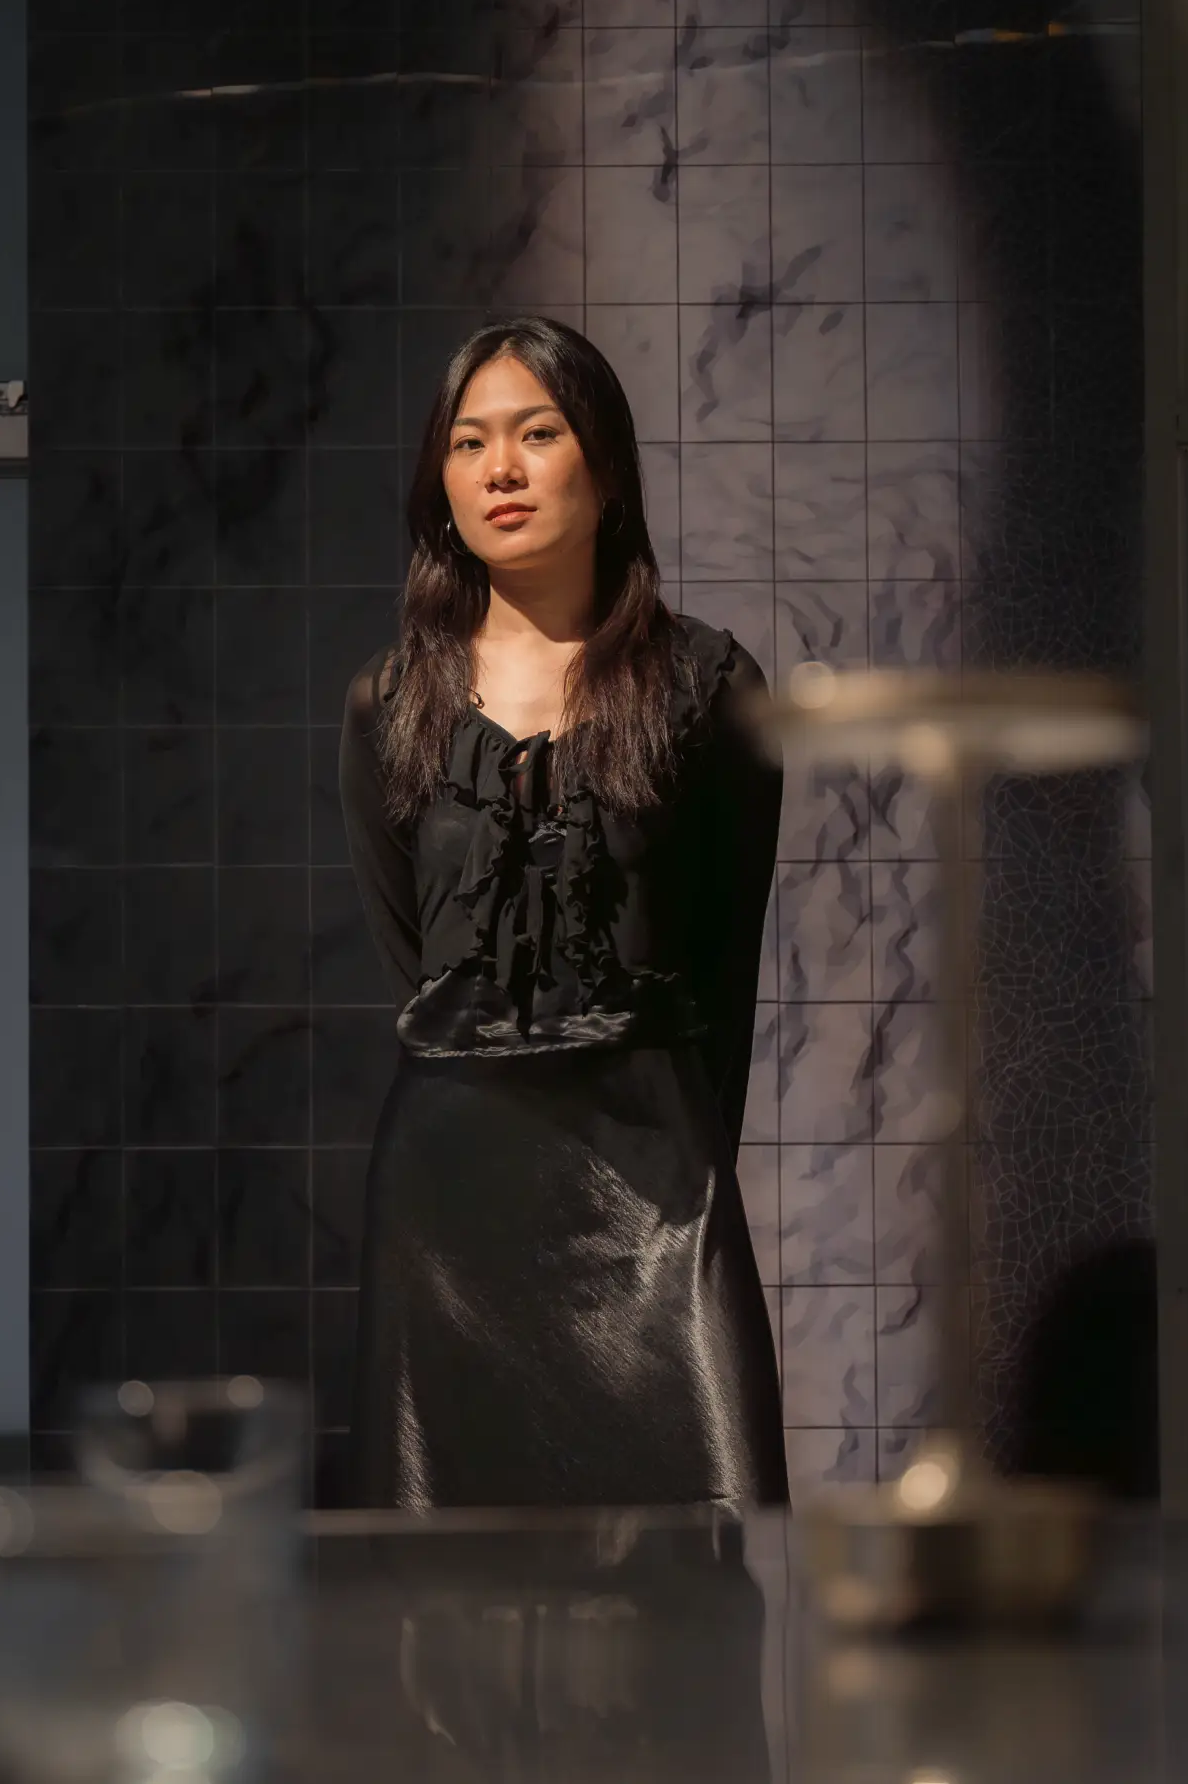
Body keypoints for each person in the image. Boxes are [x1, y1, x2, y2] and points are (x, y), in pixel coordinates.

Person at [339, 317, 788, 1508]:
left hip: (655, 1201)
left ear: (606, 466)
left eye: (538, 434)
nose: (501, 470)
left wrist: (689, 1161)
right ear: (441, 482)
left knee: (698, 1577)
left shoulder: (710, 687)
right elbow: (413, 963)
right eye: (469, 442)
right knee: (442, 1624)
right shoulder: (388, 703)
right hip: (445, 1217)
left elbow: (726, 960)